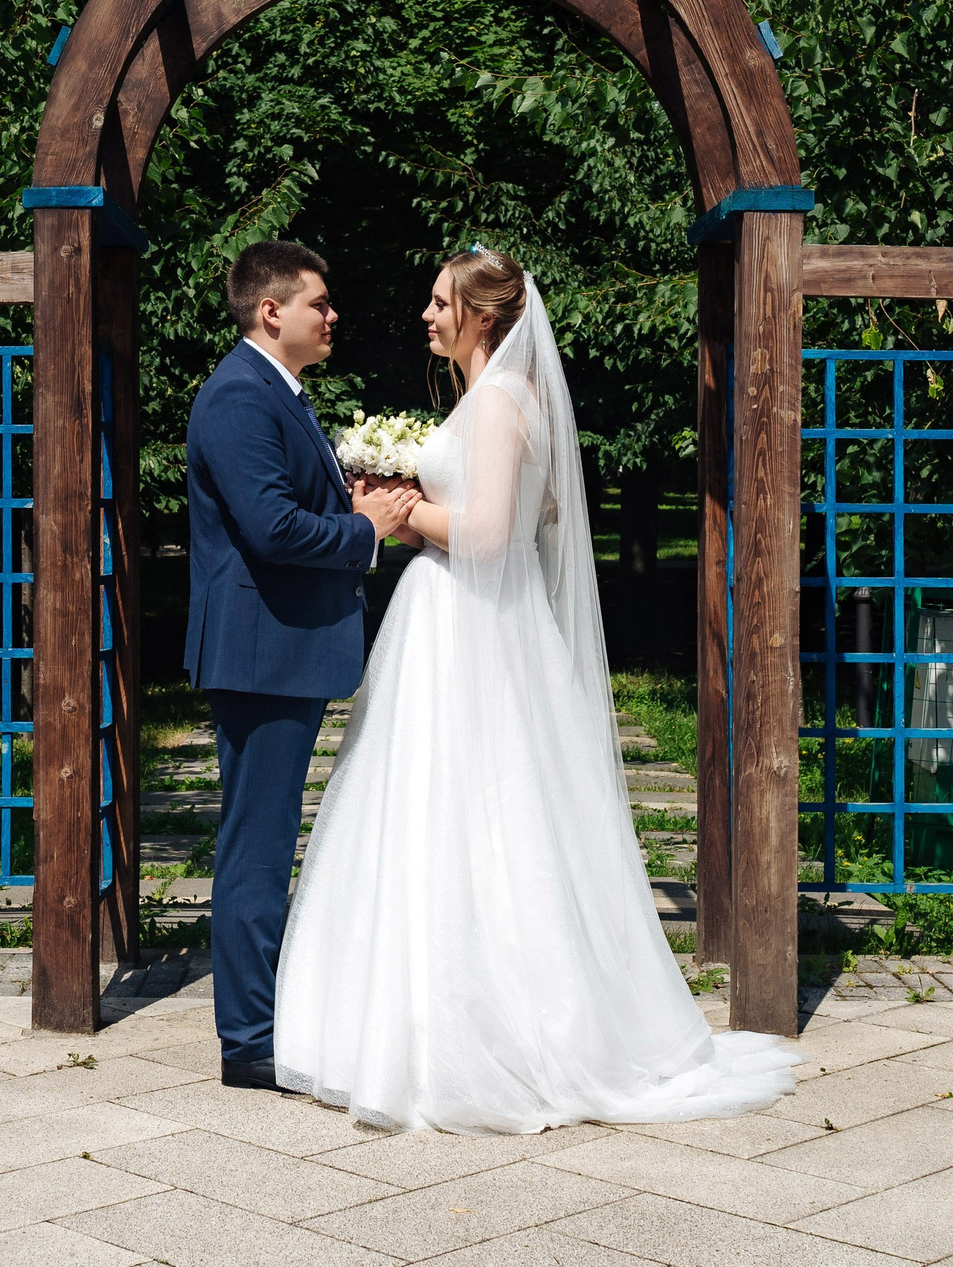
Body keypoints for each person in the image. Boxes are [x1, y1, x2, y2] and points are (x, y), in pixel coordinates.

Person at [271, 245, 802, 1133]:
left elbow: (486, 536)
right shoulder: (487, 397)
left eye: (441, 302)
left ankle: (502, 1035)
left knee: (488, 813)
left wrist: (395, 512)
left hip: (473, 623)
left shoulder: (501, 402)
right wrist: (404, 505)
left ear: (483, 316)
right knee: (438, 810)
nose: (428, 315)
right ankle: (414, 1021)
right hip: (455, 619)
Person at [185, 241, 418, 1092]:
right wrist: (367, 531)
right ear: (270, 310)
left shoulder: (275, 390)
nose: (332, 314)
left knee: (265, 836)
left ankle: (266, 1019)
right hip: (262, 654)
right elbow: (273, 527)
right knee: (257, 844)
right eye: (319, 301)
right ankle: (249, 1039)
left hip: (278, 651)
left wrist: (354, 507)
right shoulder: (240, 395)